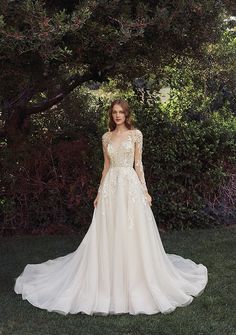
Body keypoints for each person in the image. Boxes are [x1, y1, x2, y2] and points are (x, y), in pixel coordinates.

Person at [14, 98, 208, 316]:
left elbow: (138, 164)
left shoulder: (136, 134)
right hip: (110, 189)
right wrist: (98, 193)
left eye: (121, 112)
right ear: (111, 115)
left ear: (126, 114)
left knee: (132, 231)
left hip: (130, 187)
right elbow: (106, 167)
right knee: (109, 231)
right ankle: (108, 276)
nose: (117, 115)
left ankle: (134, 278)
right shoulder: (106, 137)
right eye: (114, 112)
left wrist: (145, 191)